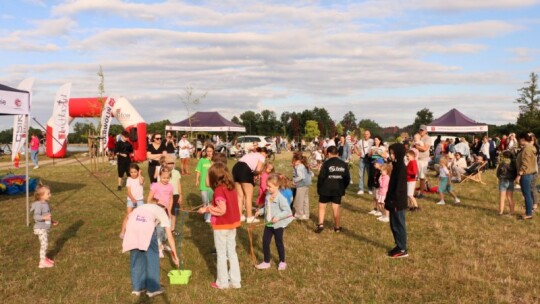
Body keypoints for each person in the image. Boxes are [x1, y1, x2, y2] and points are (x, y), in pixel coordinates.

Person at [122, 195, 179, 297]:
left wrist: (122, 232)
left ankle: (137, 288)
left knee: (136, 257)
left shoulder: (142, 206)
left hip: (131, 227)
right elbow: (170, 237)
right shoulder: (162, 212)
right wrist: (175, 256)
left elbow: (127, 217)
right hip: (146, 227)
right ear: (164, 208)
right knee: (152, 257)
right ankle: (153, 289)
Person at [197, 162, 242, 289]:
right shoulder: (231, 187)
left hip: (222, 226)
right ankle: (236, 281)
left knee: (222, 254)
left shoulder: (218, 190)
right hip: (232, 225)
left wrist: (206, 209)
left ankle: (222, 283)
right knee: (232, 253)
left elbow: (221, 209)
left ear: (214, 178)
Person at [254, 173, 294, 270]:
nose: (267, 188)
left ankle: (282, 261)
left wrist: (278, 217)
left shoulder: (281, 198)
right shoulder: (268, 195)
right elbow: (267, 208)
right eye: (267, 186)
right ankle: (266, 261)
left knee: (278, 242)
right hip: (268, 224)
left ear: (277, 186)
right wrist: (260, 211)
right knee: (265, 242)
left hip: (278, 225)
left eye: (270, 186)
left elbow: (287, 211)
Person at [315, 146, 350, 233]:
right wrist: (343, 187)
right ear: (338, 154)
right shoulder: (343, 164)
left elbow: (321, 177)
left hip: (325, 188)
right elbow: (347, 178)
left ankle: (320, 225)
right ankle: (337, 228)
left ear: (328, 154)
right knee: (336, 208)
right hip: (337, 189)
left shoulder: (326, 164)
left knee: (322, 206)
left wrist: (319, 188)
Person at [385, 143, 409, 258]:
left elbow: (400, 188)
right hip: (393, 201)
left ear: (398, 153)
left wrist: (395, 202)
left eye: (393, 153)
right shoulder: (396, 166)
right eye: (390, 152)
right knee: (393, 224)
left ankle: (403, 248)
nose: (391, 155)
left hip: (398, 202)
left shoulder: (401, 168)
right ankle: (398, 245)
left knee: (399, 224)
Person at [231, 147, 267, 223]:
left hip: (235, 168)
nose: (265, 156)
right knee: (248, 196)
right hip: (245, 170)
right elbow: (257, 170)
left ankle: (239, 216)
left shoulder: (250, 154)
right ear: (263, 153)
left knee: (240, 196)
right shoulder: (261, 157)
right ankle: (249, 217)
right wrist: (258, 173)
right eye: (266, 155)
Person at [147, 167, 174, 258]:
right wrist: (158, 205)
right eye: (163, 178)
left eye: (167, 178)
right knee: (159, 230)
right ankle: (159, 249)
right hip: (157, 210)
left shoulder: (170, 186)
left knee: (166, 231)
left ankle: (162, 244)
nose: (165, 180)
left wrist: (169, 210)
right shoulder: (155, 185)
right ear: (159, 176)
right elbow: (149, 200)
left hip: (166, 211)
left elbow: (170, 199)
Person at [31, 185, 57, 268]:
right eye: (48, 193)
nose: (50, 195)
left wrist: (52, 221)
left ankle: (44, 257)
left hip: (44, 227)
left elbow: (47, 215)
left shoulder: (45, 203)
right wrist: (44, 218)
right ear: (41, 195)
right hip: (40, 228)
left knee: (45, 243)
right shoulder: (39, 205)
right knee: (44, 244)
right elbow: (36, 217)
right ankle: (42, 262)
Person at [515, 132, 537, 220]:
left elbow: (525, 163)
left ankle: (528, 214)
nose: (519, 141)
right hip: (528, 174)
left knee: (527, 194)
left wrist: (519, 174)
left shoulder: (527, 149)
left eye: (519, 139)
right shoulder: (530, 147)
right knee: (528, 194)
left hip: (526, 174)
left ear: (523, 139)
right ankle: (529, 212)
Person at [120, 164, 144, 239]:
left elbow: (141, 183)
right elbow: (128, 191)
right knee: (128, 215)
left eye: (135, 172)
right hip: (130, 200)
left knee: (140, 216)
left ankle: (140, 232)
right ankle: (123, 232)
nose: (133, 174)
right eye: (131, 172)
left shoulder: (141, 178)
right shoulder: (129, 180)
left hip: (140, 200)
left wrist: (140, 174)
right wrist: (132, 198)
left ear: (138, 171)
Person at [196, 144, 214, 223]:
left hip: (212, 184)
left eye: (210, 151)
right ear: (205, 151)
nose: (209, 153)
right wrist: (197, 179)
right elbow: (198, 170)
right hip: (203, 183)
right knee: (205, 200)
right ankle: (206, 213)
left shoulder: (214, 161)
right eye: (208, 151)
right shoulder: (202, 160)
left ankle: (208, 217)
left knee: (210, 200)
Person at [292, 152, 312, 220]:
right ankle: (306, 215)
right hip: (307, 185)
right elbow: (312, 174)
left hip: (301, 185)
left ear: (298, 161)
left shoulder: (299, 167)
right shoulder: (305, 165)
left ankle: (298, 215)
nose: (293, 163)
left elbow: (301, 176)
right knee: (305, 200)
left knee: (299, 201)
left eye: (294, 161)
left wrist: (294, 180)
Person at [414, 125, 432, 198]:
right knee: (414, 176)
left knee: (422, 176)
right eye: (420, 130)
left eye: (422, 130)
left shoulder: (428, 138)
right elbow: (411, 146)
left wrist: (416, 147)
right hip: (416, 159)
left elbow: (425, 149)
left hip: (423, 159)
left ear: (426, 131)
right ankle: (413, 192)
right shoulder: (417, 137)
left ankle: (422, 193)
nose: (421, 131)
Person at [166, 155, 182, 234]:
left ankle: (173, 228)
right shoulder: (164, 173)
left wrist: (180, 195)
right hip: (166, 195)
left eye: (172, 163)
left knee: (174, 212)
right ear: (165, 163)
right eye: (168, 163)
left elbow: (178, 184)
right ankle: (166, 228)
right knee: (166, 211)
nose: (170, 165)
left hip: (175, 194)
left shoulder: (177, 172)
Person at [496, 150, 516, 216]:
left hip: (503, 180)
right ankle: (512, 212)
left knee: (502, 197)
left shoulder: (503, 163)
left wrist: (499, 177)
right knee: (510, 197)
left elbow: (498, 173)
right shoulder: (514, 163)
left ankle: (500, 212)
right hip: (511, 181)